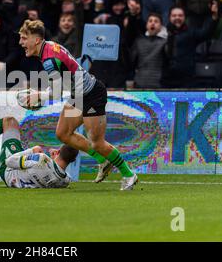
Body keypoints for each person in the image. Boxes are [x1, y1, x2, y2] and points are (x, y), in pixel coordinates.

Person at [18, 19, 138, 190]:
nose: (21, 42)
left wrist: (40, 95)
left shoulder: (48, 60)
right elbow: (61, 81)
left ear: (36, 40)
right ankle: (102, 161)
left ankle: (129, 175)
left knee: (97, 142)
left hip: (91, 95)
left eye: (23, 38)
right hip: (78, 96)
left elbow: (58, 92)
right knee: (63, 133)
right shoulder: (50, 46)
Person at [0, 116, 76, 189]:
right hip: (18, 181)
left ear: (58, 151)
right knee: (24, 164)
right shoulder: (65, 181)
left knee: (10, 121)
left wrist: (32, 151)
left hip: (7, 171)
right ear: (72, 160)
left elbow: (9, 162)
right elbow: (51, 171)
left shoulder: (41, 159)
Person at [130, 13, 168, 88]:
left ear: (161, 26)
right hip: (139, 83)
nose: (153, 23)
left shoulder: (165, 42)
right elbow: (131, 61)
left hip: (159, 84)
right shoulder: (138, 41)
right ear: (146, 25)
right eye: (150, 21)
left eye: (156, 21)